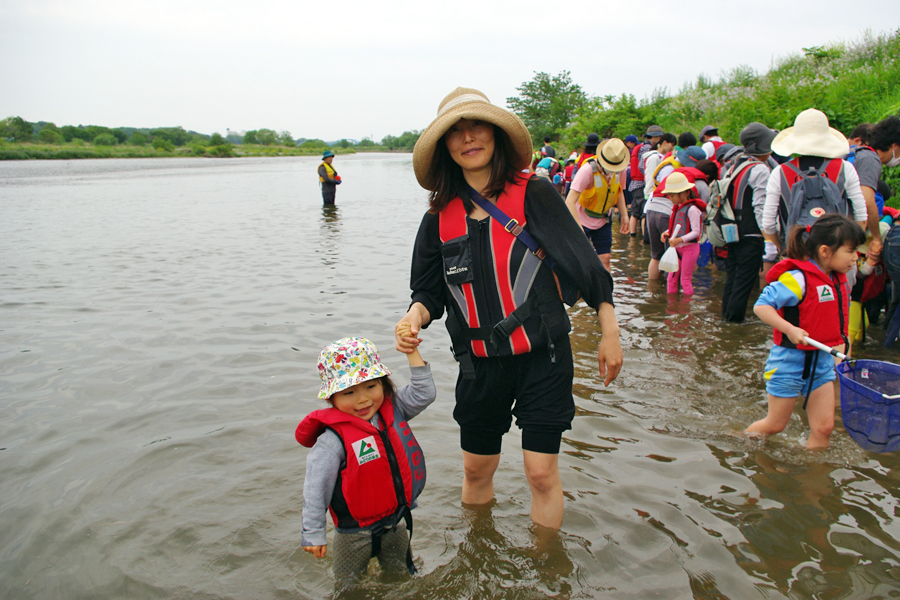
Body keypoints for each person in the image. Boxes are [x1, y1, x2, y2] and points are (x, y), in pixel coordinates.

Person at [398, 87, 623, 530]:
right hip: (479, 366)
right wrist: (413, 317)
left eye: (477, 126)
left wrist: (610, 332)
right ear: (445, 146)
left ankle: (546, 565)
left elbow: (586, 266)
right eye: (455, 132)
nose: (468, 138)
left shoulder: (534, 193)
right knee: (476, 471)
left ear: (497, 134)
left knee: (541, 473)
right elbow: (428, 293)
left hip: (545, 356)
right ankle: (480, 551)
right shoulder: (437, 218)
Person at [297, 334, 436, 586]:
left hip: (395, 523)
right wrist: (314, 533)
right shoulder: (331, 441)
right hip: (353, 534)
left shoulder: (394, 410)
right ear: (331, 398)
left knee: (401, 580)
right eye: (349, 392)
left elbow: (424, 393)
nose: (363, 400)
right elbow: (316, 488)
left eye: (371, 387)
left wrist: (411, 351)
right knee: (347, 587)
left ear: (383, 384)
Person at [746, 214, 866, 449]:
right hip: (789, 362)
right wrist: (790, 329)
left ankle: (813, 480)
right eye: (850, 251)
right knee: (775, 425)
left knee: (824, 429)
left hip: (821, 363)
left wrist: (845, 348)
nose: (855, 257)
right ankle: (739, 439)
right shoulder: (798, 278)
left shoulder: (839, 280)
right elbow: (761, 306)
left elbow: (838, 321)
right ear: (825, 251)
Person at [761, 109, 869, 254]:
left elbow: (768, 224)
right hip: (838, 255)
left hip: (798, 256)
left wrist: (786, 250)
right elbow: (861, 217)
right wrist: (847, 251)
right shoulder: (845, 168)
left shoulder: (779, 173)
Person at [720, 123, 779, 323]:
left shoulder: (733, 166)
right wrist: (770, 238)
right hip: (751, 234)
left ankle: (726, 319)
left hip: (730, 232)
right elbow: (760, 207)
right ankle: (735, 324)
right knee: (744, 282)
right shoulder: (760, 170)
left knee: (732, 278)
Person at [564, 138, 632, 272]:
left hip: (604, 219)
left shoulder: (620, 169)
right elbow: (569, 201)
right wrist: (578, 228)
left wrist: (624, 215)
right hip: (582, 219)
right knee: (580, 259)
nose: (613, 169)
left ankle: (606, 292)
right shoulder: (587, 170)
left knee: (605, 259)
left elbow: (618, 192)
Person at [659, 172, 706, 296]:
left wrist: (679, 240)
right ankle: (672, 309)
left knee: (685, 280)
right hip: (677, 249)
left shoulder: (692, 210)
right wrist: (666, 233)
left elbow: (696, 232)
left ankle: (686, 309)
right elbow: (675, 227)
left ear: (685, 193)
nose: (670, 198)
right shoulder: (676, 209)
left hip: (689, 249)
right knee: (671, 279)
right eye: (669, 195)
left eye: (672, 195)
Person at [643, 133, 678, 279]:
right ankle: (669, 293)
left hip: (652, 205)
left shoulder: (662, 162)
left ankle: (653, 290)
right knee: (670, 252)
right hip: (663, 209)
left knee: (655, 255)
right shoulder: (662, 161)